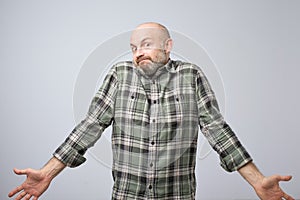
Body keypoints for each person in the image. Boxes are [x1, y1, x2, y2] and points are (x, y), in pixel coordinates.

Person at [8, 22, 294, 200]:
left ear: (168, 46)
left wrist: (257, 181)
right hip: (126, 197)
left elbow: (217, 130)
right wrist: (47, 173)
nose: (138, 52)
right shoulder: (119, 74)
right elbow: (90, 126)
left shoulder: (191, 75)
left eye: (146, 45)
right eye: (133, 47)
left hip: (178, 196)